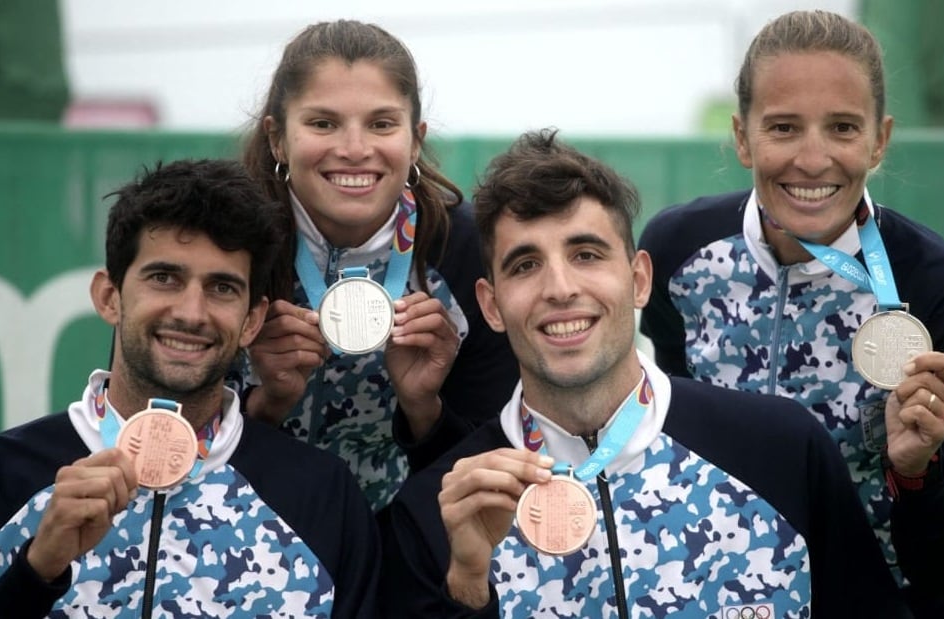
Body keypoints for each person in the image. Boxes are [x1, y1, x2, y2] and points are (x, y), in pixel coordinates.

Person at [379, 129, 910, 618]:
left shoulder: (781, 448)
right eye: (525, 265)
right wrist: (469, 584)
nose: (560, 288)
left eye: (586, 254)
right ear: (491, 306)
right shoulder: (438, 511)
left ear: (638, 281)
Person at [638, 10, 944, 618]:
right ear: (742, 135)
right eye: (783, 127)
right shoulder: (680, 252)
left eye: (841, 128)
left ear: (879, 140)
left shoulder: (934, 284)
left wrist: (915, 474)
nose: (812, 160)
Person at [0, 159, 378, 617]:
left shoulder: (322, 495)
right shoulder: (10, 472)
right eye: (164, 278)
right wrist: (36, 573)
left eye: (221, 288)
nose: (192, 313)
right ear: (109, 297)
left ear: (252, 321)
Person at [233, 19, 518, 511]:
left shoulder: (468, 250)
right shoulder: (225, 240)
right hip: (248, 548)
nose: (354, 149)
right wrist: (263, 407)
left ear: (414, 140)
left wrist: (425, 410)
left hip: (405, 549)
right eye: (322, 123)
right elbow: (163, 441)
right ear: (278, 138)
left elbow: (495, 462)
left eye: (382, 123)